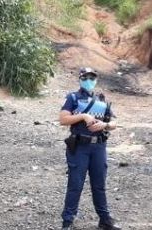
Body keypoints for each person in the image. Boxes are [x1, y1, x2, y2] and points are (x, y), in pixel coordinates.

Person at [59, 67, 121, 230]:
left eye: (92, 78)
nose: (89, 81)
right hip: (80, 147)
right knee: (75, 184)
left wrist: (105, 125)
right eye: (85, 77)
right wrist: (83, 116)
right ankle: (67, 221)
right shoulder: (73, 97)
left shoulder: (101, 100)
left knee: (99, 184)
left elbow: (115, 123)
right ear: (80, 79)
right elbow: (63, 119)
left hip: (99, 147)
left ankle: (104, 220)